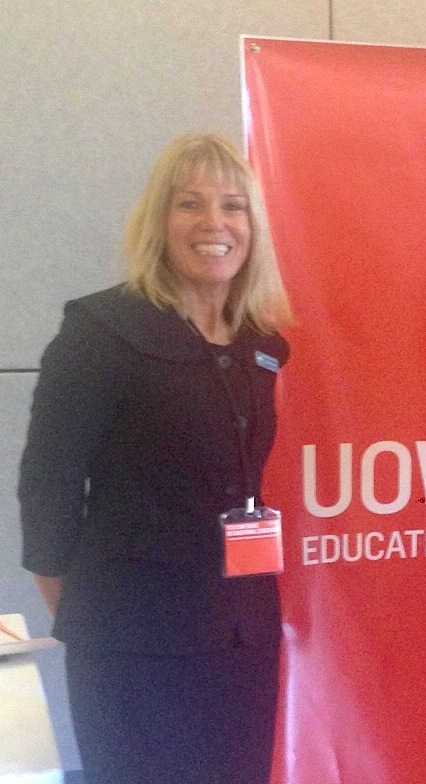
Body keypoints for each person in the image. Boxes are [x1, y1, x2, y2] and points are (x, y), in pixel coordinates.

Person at [18, 133, 293, 784]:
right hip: (132, 641)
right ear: (158, 221)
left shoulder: (259, 344)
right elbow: (47, 489)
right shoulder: (101, 333)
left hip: (241, 632)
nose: (214, 223)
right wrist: (92, 617)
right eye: (189, 204)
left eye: (232, 206)